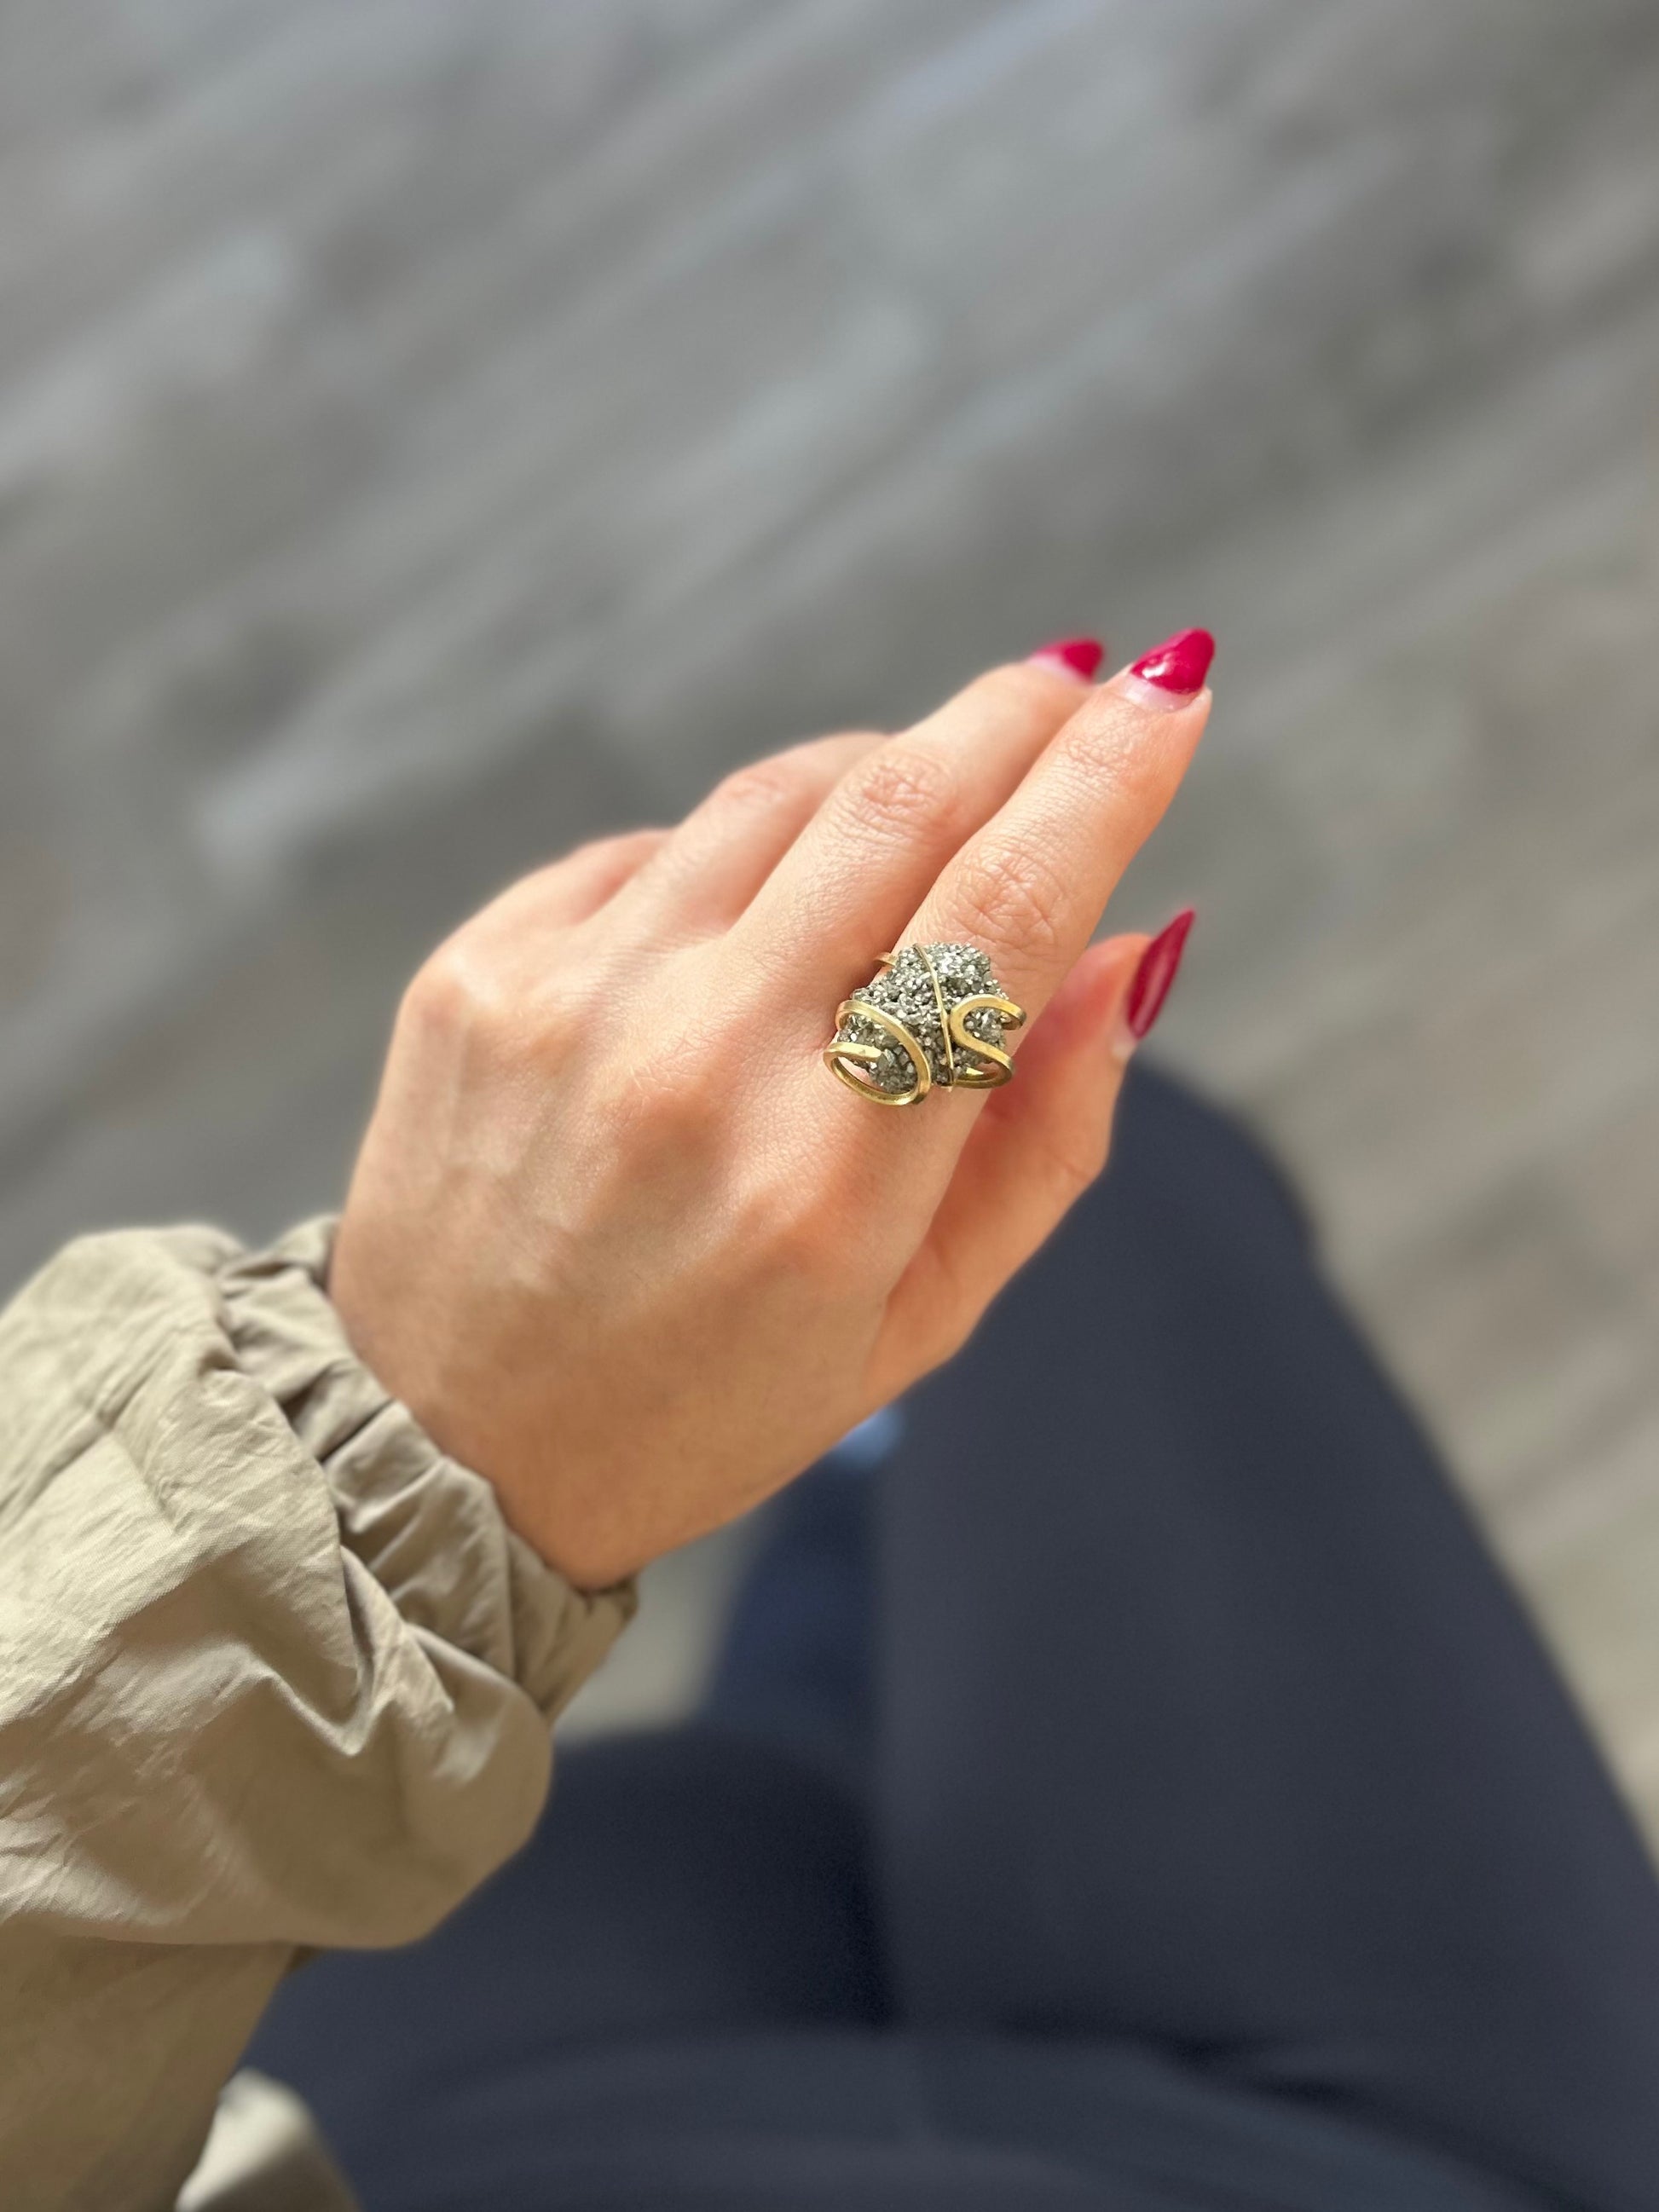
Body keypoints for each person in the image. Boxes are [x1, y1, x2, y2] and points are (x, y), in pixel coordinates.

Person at [3, 632, 1656, 2210]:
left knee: (849, 1612)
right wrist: (389, 1476)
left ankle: (855, 1449)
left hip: (426, 2120)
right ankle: (866, 1441)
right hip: (1326, 2167)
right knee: (1077, 1163)